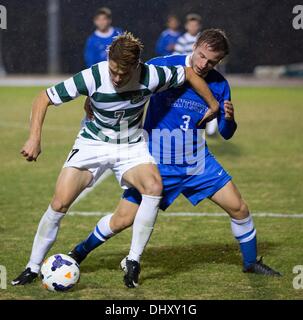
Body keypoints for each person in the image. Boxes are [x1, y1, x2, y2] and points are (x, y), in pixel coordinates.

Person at [68, 29, 281, 289]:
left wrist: (229, 118)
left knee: (239, 208)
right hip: (157, 162)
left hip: (196, 161)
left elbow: (226, 134)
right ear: (195, 46)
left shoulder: (219, 84)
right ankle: (78, 253)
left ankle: (250, 263)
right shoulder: (163, 66)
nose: (204, 64)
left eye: (212, 61)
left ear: (220, 61)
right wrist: (94, 98)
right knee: (122, 219)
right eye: (201, 56)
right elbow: (126, 80)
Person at [11, 32, 219, 286]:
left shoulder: (150, 75)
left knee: (154, 187)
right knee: (59, 203)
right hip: (93, 143)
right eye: (113, 71)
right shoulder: (93, 76)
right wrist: (34, 138)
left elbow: (187, 73)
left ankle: (133, 260)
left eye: (124, 73)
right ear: (108, 60)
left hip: (130, 145)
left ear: (137, 66)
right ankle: (33, 267)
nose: (118, 78)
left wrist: (213, 104)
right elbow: (43, 98)